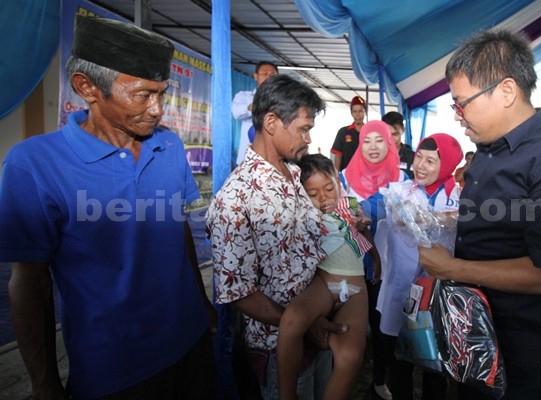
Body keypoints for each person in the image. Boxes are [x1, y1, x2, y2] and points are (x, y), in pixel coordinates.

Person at [0, 15, 217, 399]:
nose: (157, 110)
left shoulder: (168, 147)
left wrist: (202, 306)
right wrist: (45, 383)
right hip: (116, 370)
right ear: (87, 87)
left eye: (162, 93)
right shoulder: (34, 164)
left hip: (191, 343)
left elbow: (177, 227)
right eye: (142, 94)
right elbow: (29, 283)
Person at [418, 29, 541, 399]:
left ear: (507, 91)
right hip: (479, 329)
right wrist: (441, 221)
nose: (458, 115)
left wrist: (452, 269)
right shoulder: (493, 151)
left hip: (522, 347)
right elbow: (505, 218)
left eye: (462, 103)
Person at [206, 74, 346, 400]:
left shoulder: (294, 174)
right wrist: (301, 325)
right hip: (279, 344)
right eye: (303, 129)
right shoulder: (236, 199)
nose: (309, 139)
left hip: (318, 324)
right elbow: (238, 292)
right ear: (271, 122)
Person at [374, 133, 463, 400]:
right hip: (403, 289)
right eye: (419, 158)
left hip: (437, 293)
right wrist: (450, 219)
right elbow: (405, 222)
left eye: (431, 161)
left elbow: (461, 222)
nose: (421, 166)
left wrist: (450, 217)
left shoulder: (457, 197)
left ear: (446, 164)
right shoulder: (398, 192)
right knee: (400, 359)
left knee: (435, 362)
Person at [278, 153, 370, 400]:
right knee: (292, 320)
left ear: (338, 183)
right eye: (313, 193)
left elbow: (363, 231)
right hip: (323, 284)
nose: (324, 197)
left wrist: (363, 227)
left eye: (329, 188)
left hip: (355, 289)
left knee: (350, 354)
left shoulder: (351, 206)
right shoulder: (304, 215)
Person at [339, 120, 408, 400]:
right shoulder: (343, 178)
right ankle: (343, 381)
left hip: (388, 266)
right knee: (349, 326)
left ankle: (379, 380)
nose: (373, 147)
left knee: (382, 328)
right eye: (367, 141)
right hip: (352, 266)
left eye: (379, 140)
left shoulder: (402, 181)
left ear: (390, 142)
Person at [232, 60, 278, 165]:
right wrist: (257, 106)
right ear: (255, 76)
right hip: (248, 158)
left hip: (274, 158)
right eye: (264, 74)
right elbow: (236, 113)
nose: (269, 77)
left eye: (272, 74)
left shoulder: (284, 99)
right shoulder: (244, 96)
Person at [330, 95, 366, 171]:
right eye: (354, 111)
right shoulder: (343, 132)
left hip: (366, 176)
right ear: (351, 113)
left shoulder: (370, 132)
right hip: (346, 177)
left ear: (365, 112)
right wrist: (337, 176)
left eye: (360, 111)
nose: (357, 114)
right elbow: (338, 155)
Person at [382, 111, 414, 179]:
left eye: (395, 134)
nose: (391, 139)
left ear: (403, 130)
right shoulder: (376, 156)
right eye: (387, 134)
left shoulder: (413, 158)